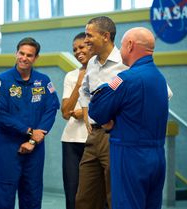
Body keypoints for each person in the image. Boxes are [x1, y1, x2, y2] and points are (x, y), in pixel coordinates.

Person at [88, 27, 171, 209]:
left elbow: (96, 109)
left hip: (130, 155)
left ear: (130, 45)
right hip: (157, 155)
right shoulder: (159, 78)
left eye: (122, 45)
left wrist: (110, 121)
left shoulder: (126, 79)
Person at [0, 37, 60, 209]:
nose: (24, 58)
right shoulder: (1, 81)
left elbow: (51, 109)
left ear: (36, 58)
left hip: (34, 149)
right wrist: (29, 131)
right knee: (2, 195)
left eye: (29, 55)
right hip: (7, 148)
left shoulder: (43, 81)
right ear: (16, 53)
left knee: (32, 194)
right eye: (21, 53)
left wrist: (34, 139)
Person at [75, 16, 128, 209]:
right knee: (84, 199)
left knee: (115, 197)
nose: (85, 39)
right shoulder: (92, 63)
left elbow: (161, 93)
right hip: (93, 137)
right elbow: (85, 90)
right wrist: (86, 110)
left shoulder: (126, 61)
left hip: (115, 137)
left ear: (105, 36)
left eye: (90, 35)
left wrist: (122, 121)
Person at [61, 32, 93, 209]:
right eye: (74, 49)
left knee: (97, 193)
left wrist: (85, 111)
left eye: (81, 47)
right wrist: (80, 82)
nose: (78, 52)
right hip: (71, 141)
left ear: (91, 46)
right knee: (72, 192)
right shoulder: (71, 76)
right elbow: (66, 112)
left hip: (94, 140)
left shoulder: (106, 72)